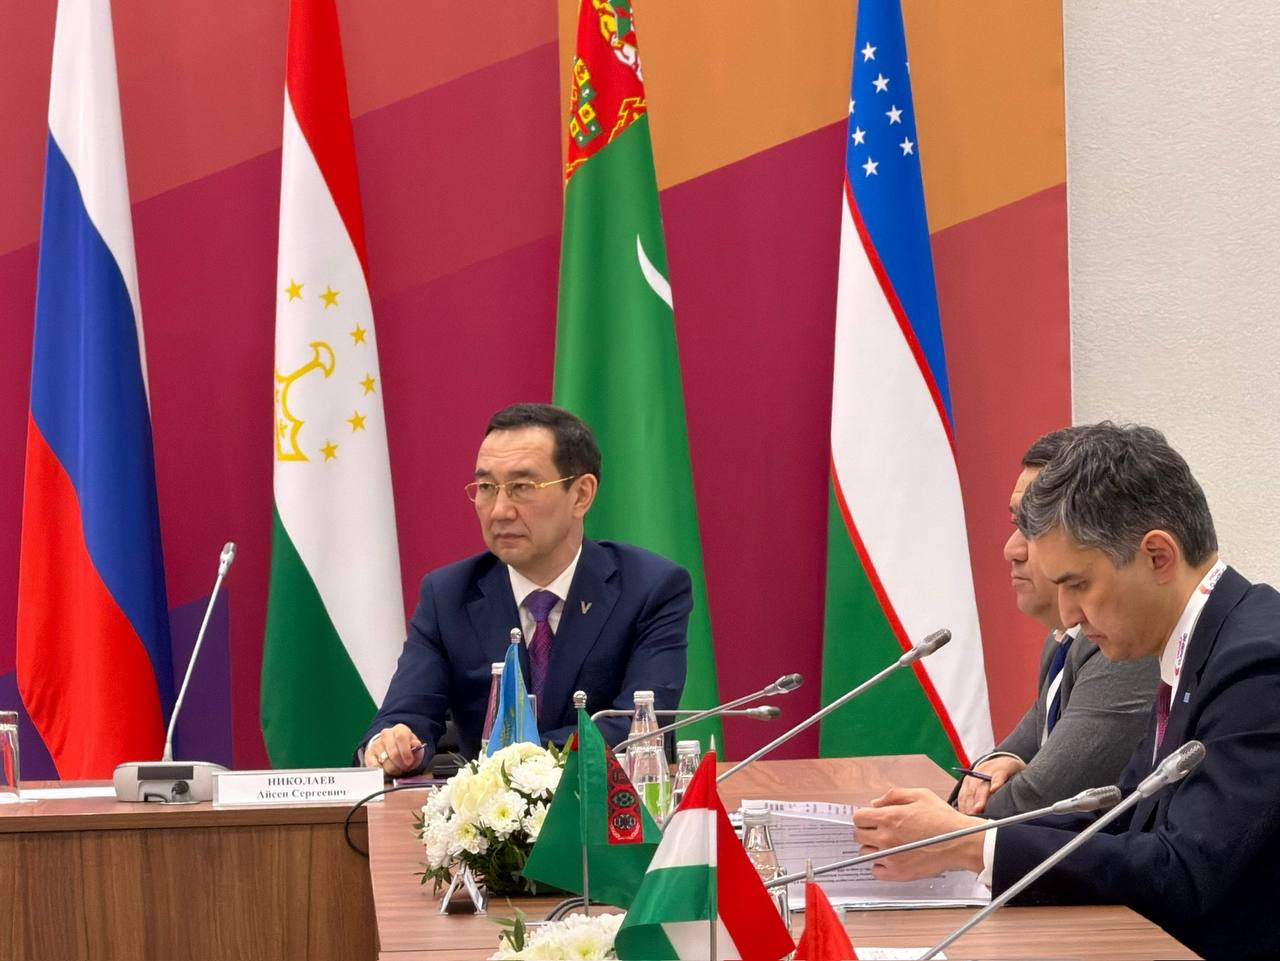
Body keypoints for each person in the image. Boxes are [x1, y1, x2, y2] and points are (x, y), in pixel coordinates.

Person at [853, 422, 1280, 960]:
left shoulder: (1258, 663)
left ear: (1157, 556)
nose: (1068, 614)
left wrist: (972, 843)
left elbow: (1184, 873)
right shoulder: (1198, 642)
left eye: (1078, 584)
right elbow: (1123, 819)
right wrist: (965, 835)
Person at [359, 403, 690, 776]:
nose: (500, 511)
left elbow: (637, 729)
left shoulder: (649, 589)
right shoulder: (448, 595)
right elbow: (407, 715)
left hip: (603, 805)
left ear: (581, 494)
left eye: (522, 487)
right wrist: (392, 744)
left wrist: (511, 762)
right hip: (485, 812)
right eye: (487, 487)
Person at [953, 428, 1157, 817]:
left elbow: (1039, 801)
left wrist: (943, 821)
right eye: (1016, 524)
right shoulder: (1065, 639)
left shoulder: (1124, 645)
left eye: (1034, 528)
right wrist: (996, 765)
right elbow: (1007, 758)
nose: (1011, 549)